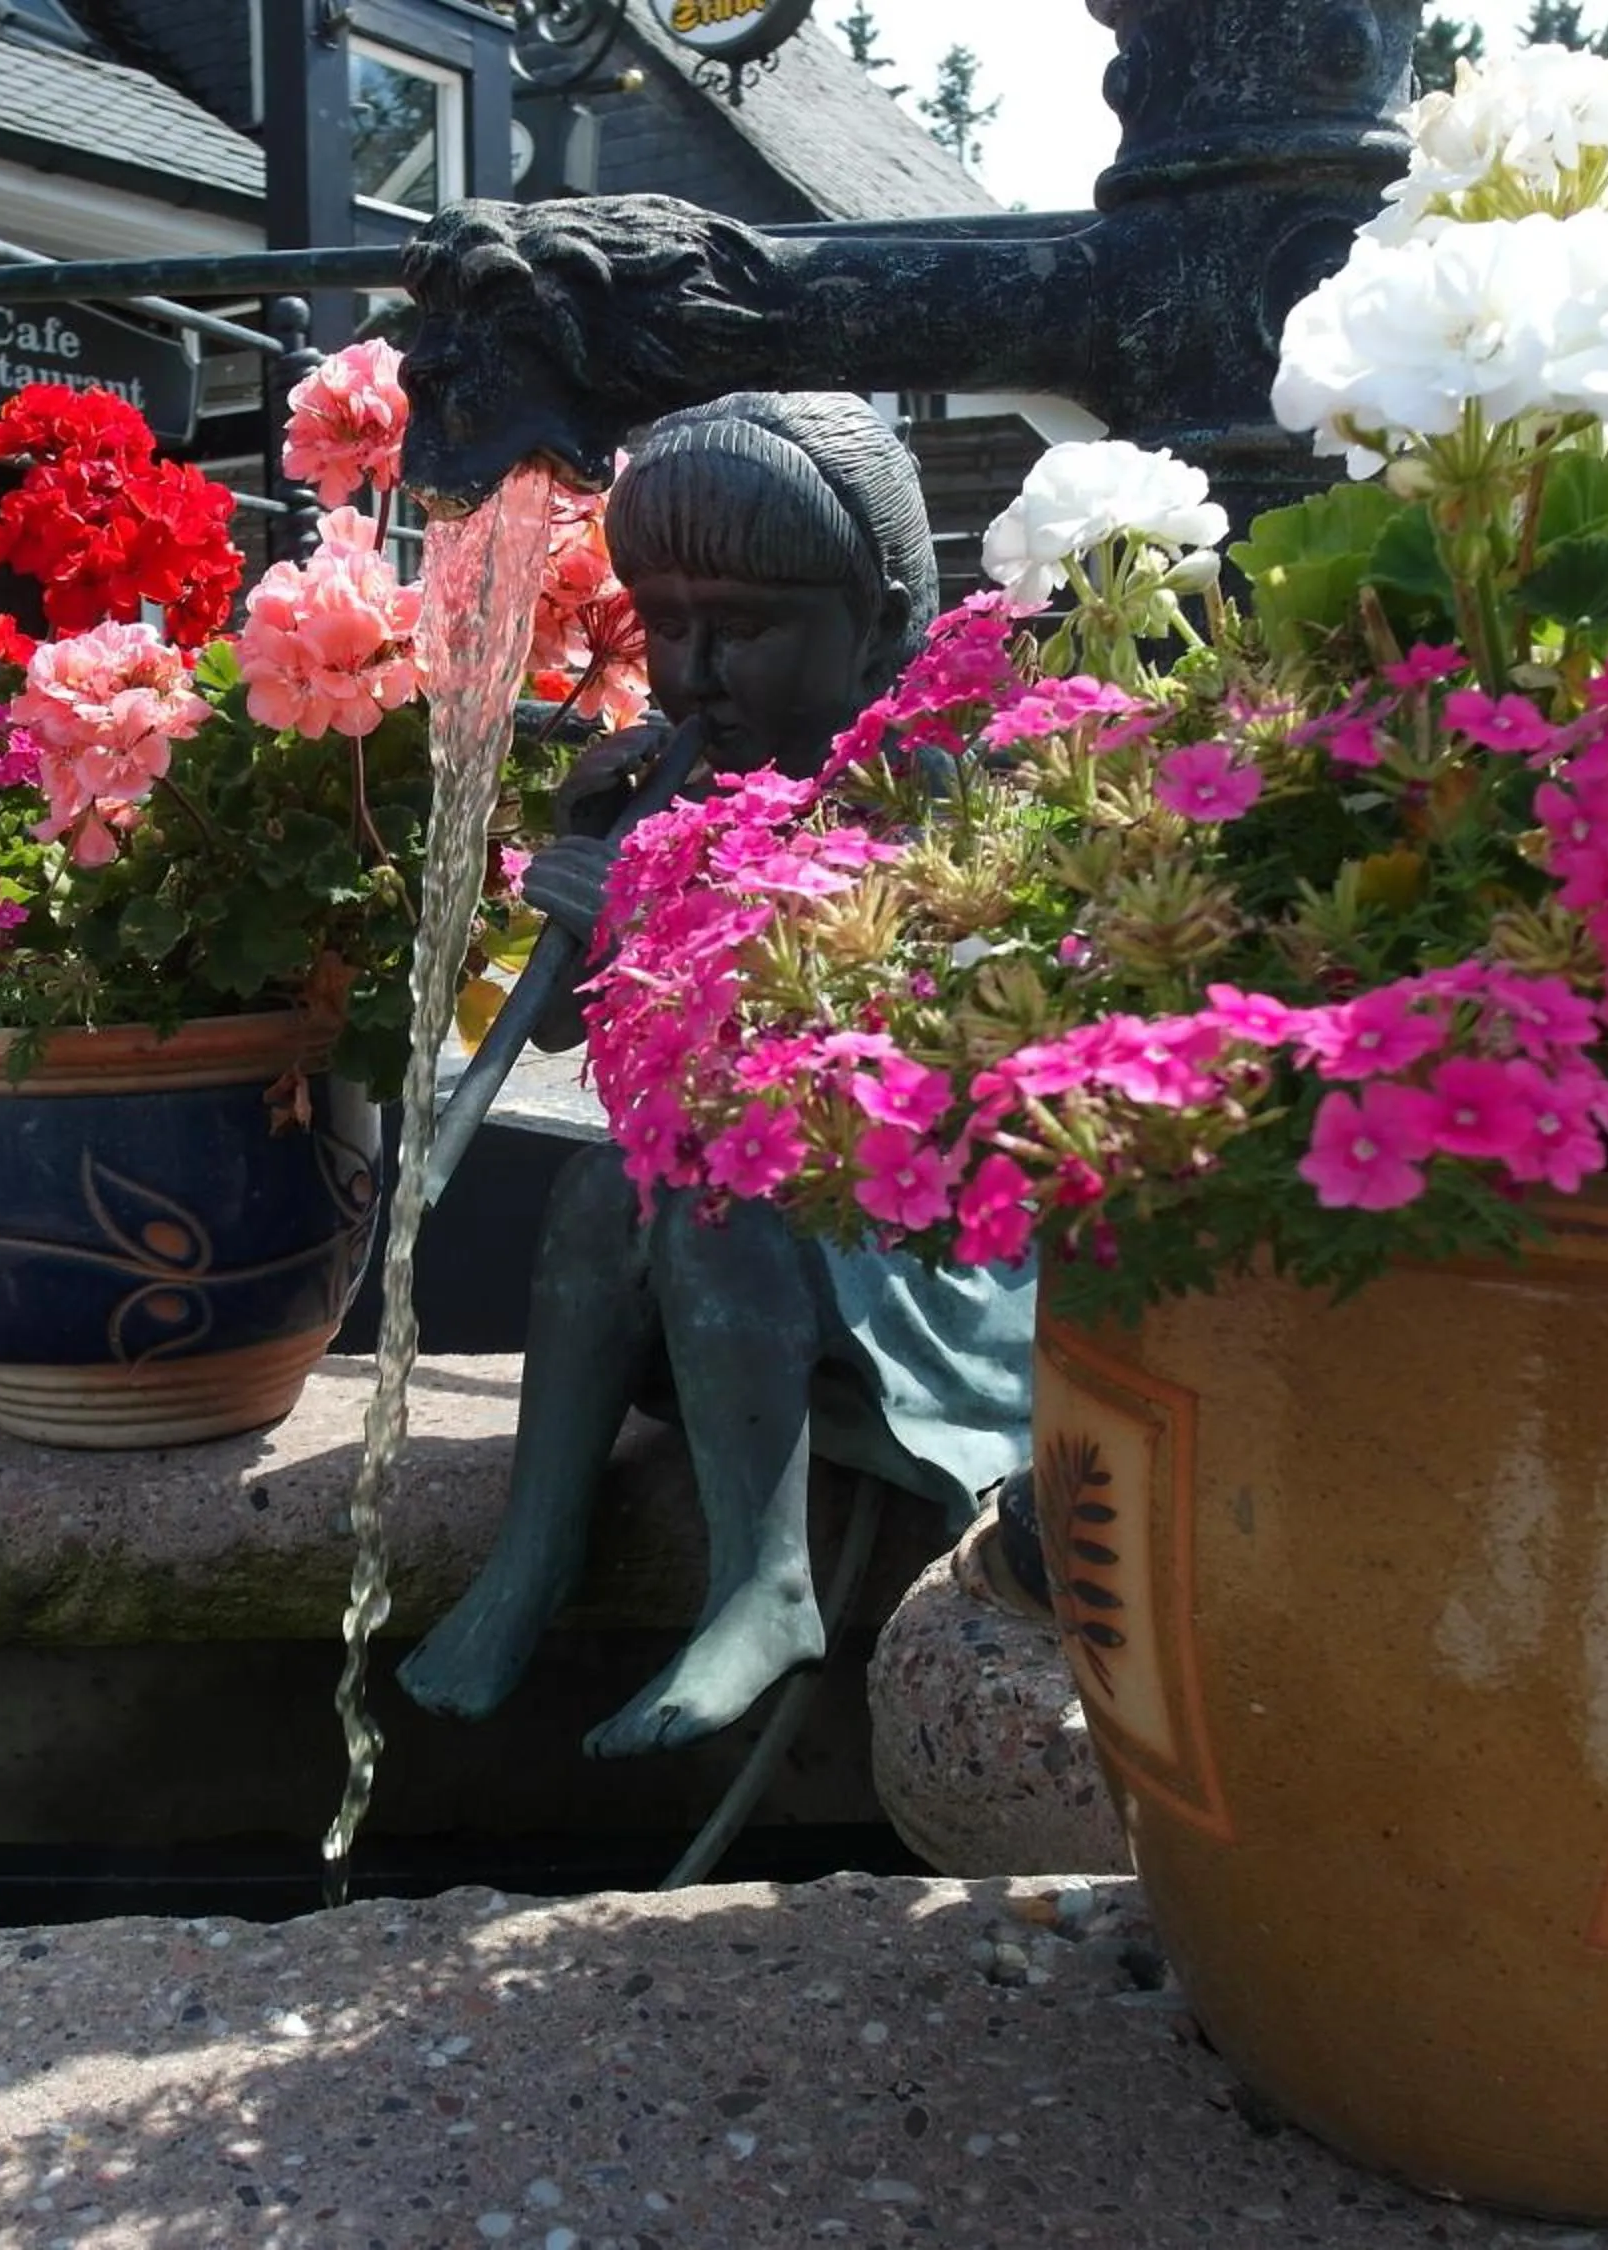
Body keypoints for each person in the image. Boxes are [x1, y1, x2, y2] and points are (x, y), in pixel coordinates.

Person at [397, 392, 1036, 1758]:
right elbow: (575, 1041)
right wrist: (593, 883)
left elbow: (932, 1062)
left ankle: (767, 1580)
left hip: (924, 1238)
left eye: (741, 628)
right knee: (595, 1191)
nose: (694, 673)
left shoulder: (930, 786)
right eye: (662, 622)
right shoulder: (673, 787)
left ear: (872, 618)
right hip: (747, 1220)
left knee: (708, 1199)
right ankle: (534, 1549)